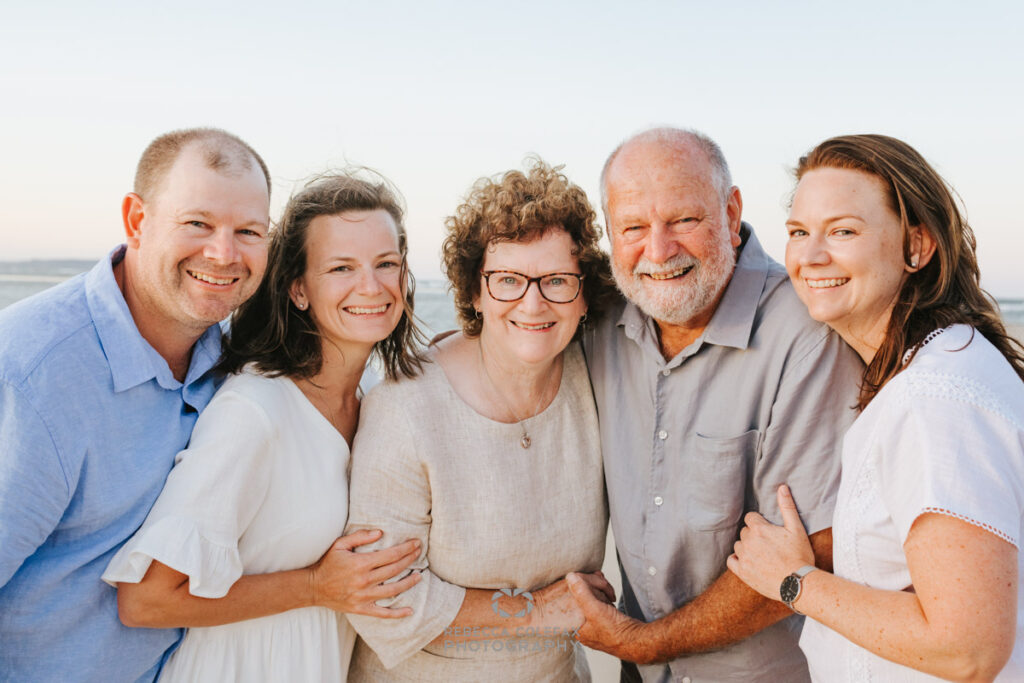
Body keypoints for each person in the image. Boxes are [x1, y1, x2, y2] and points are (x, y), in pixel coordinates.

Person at [101, 171, 427, 681]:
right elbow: (145, 600)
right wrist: (316, 585)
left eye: (386, 263)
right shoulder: (255, 411)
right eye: (341, 267)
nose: (371, 286)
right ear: (298, 289)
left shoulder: (373, 404)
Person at [567, 127, 865, 683]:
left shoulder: (807, 334)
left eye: (683, 220)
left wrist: (644, 643)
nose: (658, 251)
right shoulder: (602, 319)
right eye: (633, 227)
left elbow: (808, 555)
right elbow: (514, 329)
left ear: (731, 213)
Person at [727, 134, 1024, 681]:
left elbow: (968, 648)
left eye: (843, 231)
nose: (811, 256)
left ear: (918, 247)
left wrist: (792, 580)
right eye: (798, 232)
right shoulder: (928, 368)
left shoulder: (934, 396)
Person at [0, 128, 271, 682]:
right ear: (136, 220)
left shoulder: (232, 366)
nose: (224, 253)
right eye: (197, 223)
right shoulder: (35, 373)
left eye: (248, 231)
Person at [343, 159, 619, 681]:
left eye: (557, 280)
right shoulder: (406, 407)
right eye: (508, 279)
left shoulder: (597, 380)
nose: (533, 303)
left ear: (585, 294)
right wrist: (535, 612)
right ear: (473, 290)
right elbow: (381, 600)